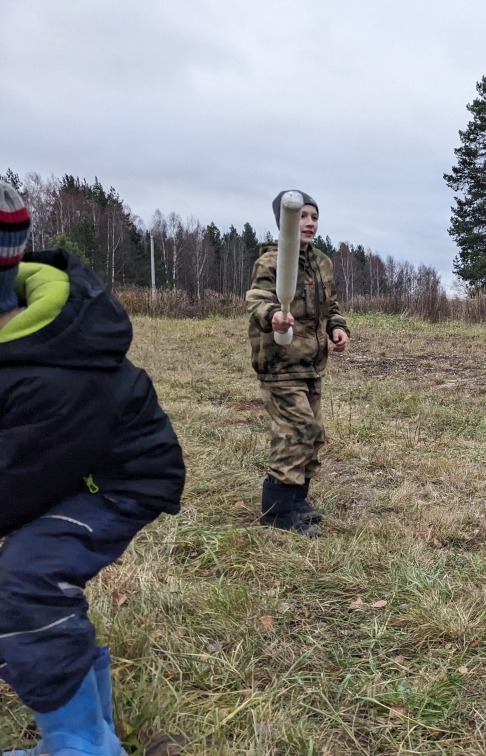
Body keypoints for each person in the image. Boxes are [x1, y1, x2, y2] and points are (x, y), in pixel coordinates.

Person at [0, 181, 186, 754]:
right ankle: (94, 730)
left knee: (24, 581)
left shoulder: (49, 370)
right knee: (33, 575)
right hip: (74, 467)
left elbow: (19, 479)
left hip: (120, 484)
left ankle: (81, 743)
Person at [246, 190, 349, 538]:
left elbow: (331, 305)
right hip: (279, 364)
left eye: (314, 217)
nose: (309, 222)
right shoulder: (271, 262)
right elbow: (256, 301)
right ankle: (276, 513)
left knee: (314, 433)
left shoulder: (322, 262)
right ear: (286, 221)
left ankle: (297, 501)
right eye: (302, 216)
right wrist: (274, 315)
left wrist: (337, 328)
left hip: (311, 363)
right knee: (296, 432)